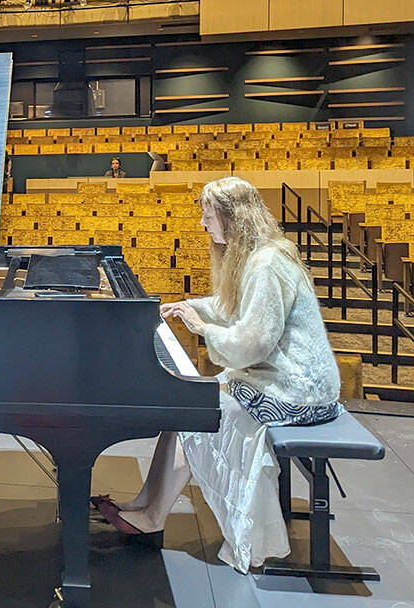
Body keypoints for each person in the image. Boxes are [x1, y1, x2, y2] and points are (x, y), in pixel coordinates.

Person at [92, 176, 342, 572]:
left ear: (233, 217)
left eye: (209, 216)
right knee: (185, 402)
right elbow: (235, 309)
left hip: (298, 392)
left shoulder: (267, 265)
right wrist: (186, 306)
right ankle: (144, 504)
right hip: (282, 380)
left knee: (196, 410)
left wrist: (201, 328)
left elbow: (254, 342)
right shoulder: (261, 257)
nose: (204, 225)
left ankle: (153, 516)